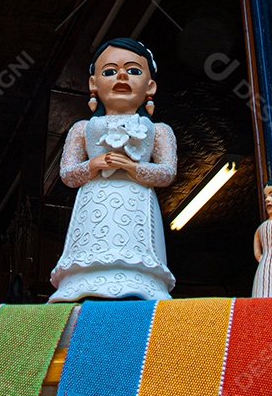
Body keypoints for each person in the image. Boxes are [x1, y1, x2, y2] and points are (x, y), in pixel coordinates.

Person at [49, 38, 177, 302]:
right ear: (93, 84)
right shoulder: (81, 129)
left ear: (150, 85)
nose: (121, 76)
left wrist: (133, 168)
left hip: (136, 201)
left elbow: (167, 172)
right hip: (95, 202)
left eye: (133, 71)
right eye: (109, 72)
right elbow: (67, 174)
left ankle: (140, 281)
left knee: (136, 253)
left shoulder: (159, 131)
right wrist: (93, 165)